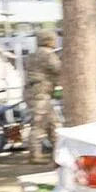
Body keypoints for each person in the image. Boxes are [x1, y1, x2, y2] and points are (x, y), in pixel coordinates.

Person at [23, 29, 61, 164]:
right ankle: (34, 155)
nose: (55, 41)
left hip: (35, 93)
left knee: (53, 124)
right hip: (40, 93)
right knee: (39, 124)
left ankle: (58, 153)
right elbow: (59, 69)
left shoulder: (33, 55)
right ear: (48, 40)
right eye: (53, 39)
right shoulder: (47, 54)